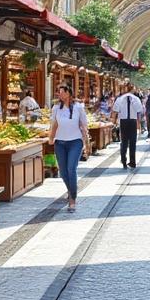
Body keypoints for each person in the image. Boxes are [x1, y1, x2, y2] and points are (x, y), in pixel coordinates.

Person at [48, 83, 89, 213]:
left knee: (71, 168)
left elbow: (83, 125)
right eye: (58, 92)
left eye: (61, 92)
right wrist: (51, 138)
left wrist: (86, 142)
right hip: (60, 143)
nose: (59, 94)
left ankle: (72, 199)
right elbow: (54, 125)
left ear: (68, 93)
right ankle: (71, 189)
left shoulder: (78, 107)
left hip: (75, 142)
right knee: (63, 171)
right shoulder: (56, 108)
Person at [111, 83, 143, 169]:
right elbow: (139, 110)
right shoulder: (136, 99)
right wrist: (139, 124)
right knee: (133, 142)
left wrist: (113, 122)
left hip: (123, 121)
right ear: (132, 89)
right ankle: (132, 162)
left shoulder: (120, 99)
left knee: (124, 141)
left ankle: (123, 160)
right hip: (132, 121)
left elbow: (115, 111)